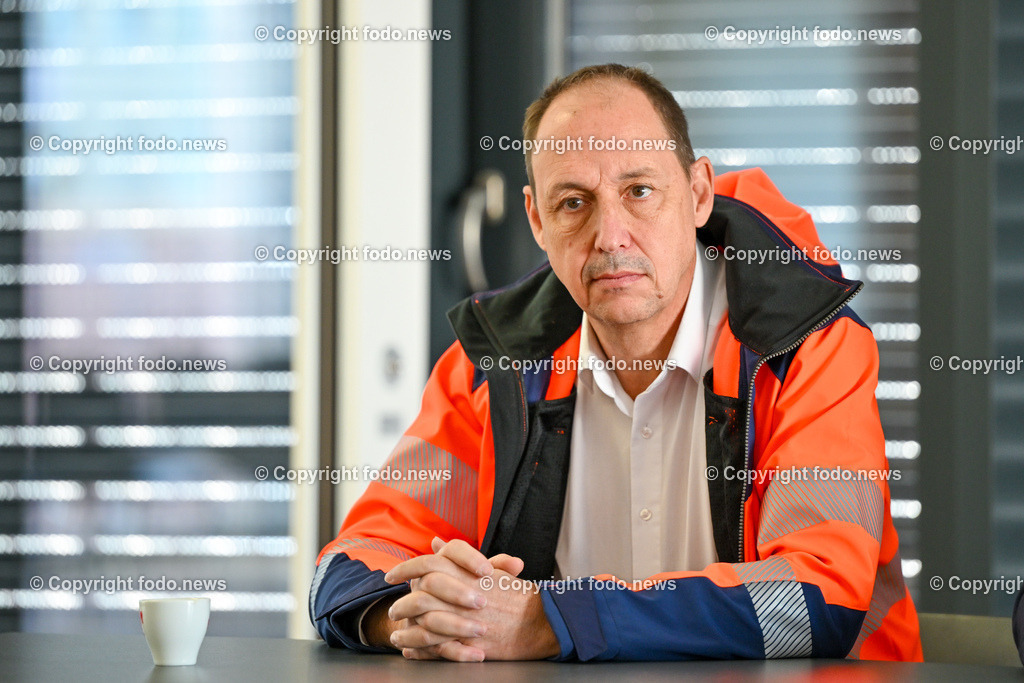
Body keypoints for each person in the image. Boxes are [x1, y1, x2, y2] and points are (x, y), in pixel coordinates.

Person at [308, 63, 922, 662]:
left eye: (639, 190)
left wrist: (548, 623)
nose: (610, 235)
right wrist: (411, 618)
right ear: (537, 221)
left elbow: (817, 602)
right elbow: (349, 562)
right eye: (573, 202)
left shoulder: (807, 346)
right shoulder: (492, 368)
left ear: (699, 193)